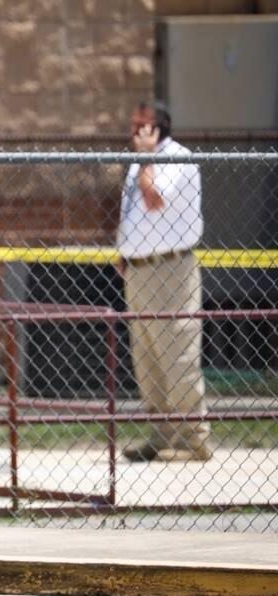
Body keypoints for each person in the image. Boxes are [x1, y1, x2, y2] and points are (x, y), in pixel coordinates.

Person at [117, 101, 211, 462]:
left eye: (142, 125)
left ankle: (194, 441)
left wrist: (145, 158)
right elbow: (135, 211)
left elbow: (155, 199)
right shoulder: (142, 162)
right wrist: (124, 249)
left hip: (170, 269)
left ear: (159, 128)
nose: (135, 131)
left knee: (178, 355)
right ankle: (161, 437)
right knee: (148, 359)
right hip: (139, 270)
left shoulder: (176, 159)